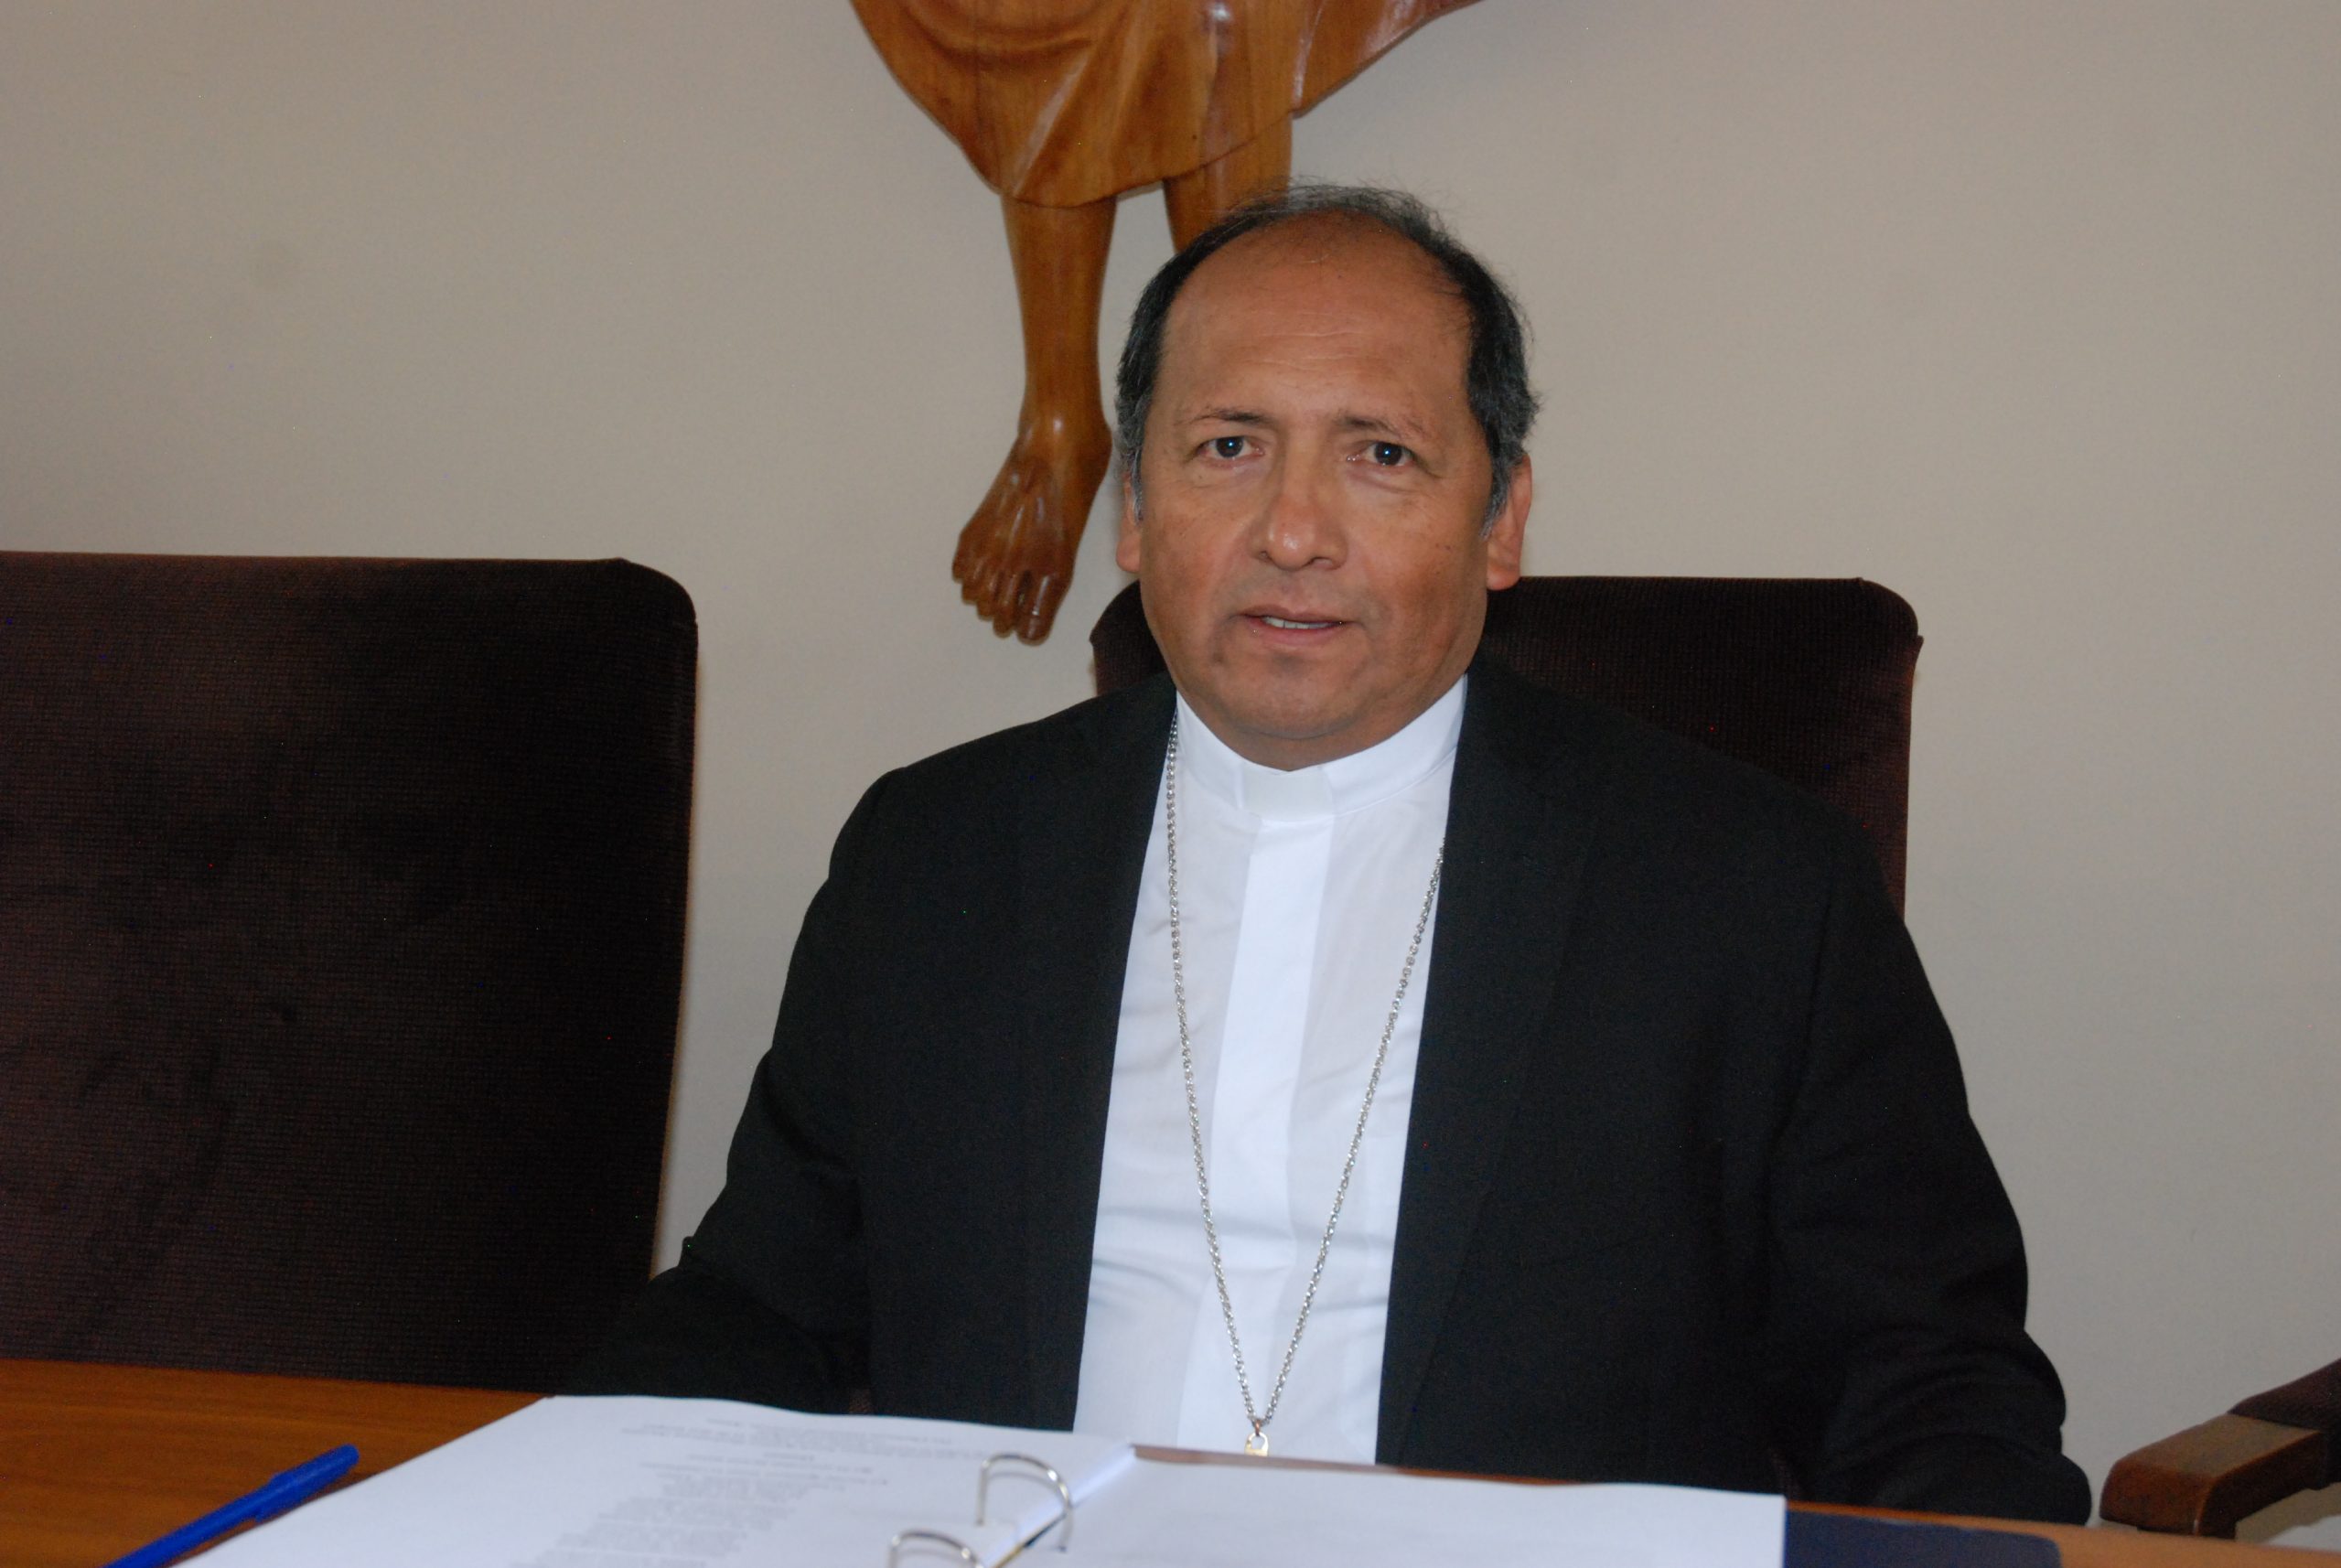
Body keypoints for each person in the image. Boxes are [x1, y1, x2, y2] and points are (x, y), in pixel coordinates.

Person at [574, 185, 2092, 1524]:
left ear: (1500, 519)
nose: (1292, 530)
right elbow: (758, 1309)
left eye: (1380, 454)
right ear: (1134, 507)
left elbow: (1926, 1384)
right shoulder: (936, 854)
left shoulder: (1747, 889)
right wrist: (554, 1484)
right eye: (1229, 446)